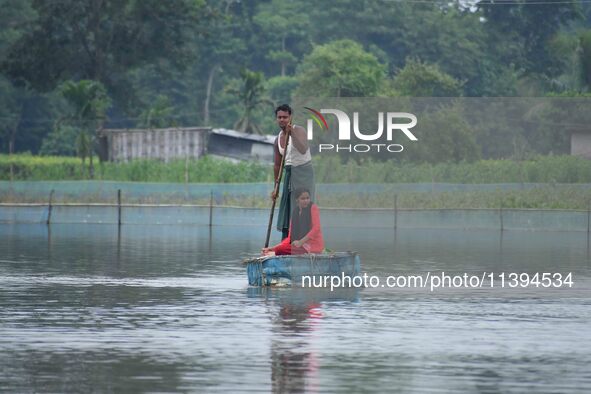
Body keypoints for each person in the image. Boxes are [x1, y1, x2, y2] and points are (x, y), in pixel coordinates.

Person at [271, 104, 316, 240]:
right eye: (279, 117)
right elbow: (278, 165)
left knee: (303, 205)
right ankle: (288, 241)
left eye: (285, 117)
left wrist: (292, 134)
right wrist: (276, 188)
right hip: (289, 174)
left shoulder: (299, 130)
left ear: (290, 117)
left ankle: (304, 242)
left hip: (304, 173)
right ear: (276, 119)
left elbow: (303, 149)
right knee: (287, 206)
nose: (282, 120)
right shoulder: (277, 139)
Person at [263, 188, 324, 256]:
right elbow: (290, 237)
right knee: (278, 249)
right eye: (303, 199)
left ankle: (274, 253)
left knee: (279, 250)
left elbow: (316, 228)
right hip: (299, 246)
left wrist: (301, 242)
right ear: (297, 200)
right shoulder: (295, 212)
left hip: (312, 247)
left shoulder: (313, 207)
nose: (306, 201)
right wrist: (273, 248)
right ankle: (274, 252)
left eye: (307, 198)